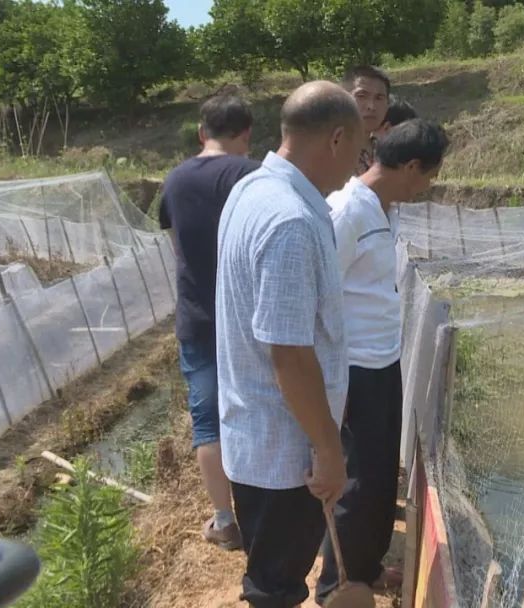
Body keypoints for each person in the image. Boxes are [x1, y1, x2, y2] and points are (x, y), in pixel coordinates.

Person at [215, 81, 363, 608]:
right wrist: (327, 450)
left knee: (270, 578)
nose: (354, 169)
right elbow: (290, 355)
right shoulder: (292, 223)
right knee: (275, 588)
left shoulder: (252, 190)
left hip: (256, 432)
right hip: (286, 451)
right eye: (358, 152)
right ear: (338, 139)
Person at [316, 118, 450, 605]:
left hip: (382, 361)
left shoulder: (383, 208)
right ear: (412, 166)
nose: (428, 186)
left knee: (376, 475)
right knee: (355, 481)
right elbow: (317, 295)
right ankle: (337, 585)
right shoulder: (347, 211)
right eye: (429, 175)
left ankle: (365, 569)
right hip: (354, 369)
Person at [158, 94, 259, 551]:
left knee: (208, 425)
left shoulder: (175, 179)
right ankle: (266, 510)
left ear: (202, 132)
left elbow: (176, 241)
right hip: (250, 320)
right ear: (247, 134)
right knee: (259, 411)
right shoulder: (252, 174)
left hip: (198, 319)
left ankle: (225, 521)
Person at [341, 65, 391, 176]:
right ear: (343, 99)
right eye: (361, 96)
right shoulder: (331, 151)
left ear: (388, 104)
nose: (371, 106)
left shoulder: (388, 151)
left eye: (379, 98)